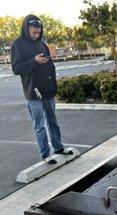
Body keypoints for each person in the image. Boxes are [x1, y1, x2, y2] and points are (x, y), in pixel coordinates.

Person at [11, 15, 73, 164]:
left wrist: (54, 85)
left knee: (53, 122)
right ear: (26, 29)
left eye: (38, 33)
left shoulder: (42, 44)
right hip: (33, 93)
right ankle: (45, 154)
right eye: (33, 32)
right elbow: (16, 68)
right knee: (39, 125)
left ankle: (58, 147)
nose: (36, 35)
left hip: (48, 91)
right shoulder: (17, 45)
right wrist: (34, 61)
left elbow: (51, 66)